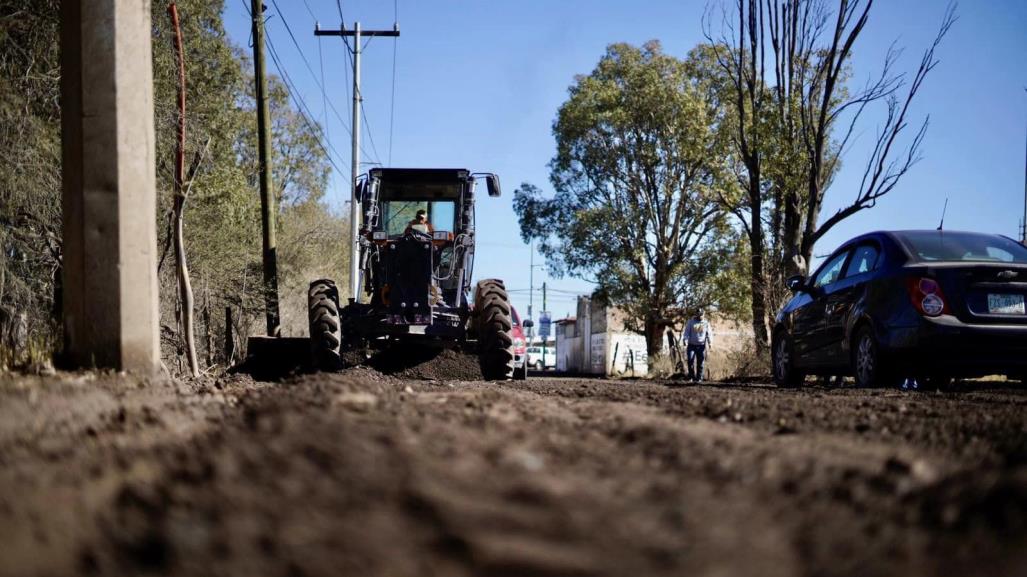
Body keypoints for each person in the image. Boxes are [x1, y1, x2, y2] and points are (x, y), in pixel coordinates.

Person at [683, 308, 713, 382]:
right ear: (696, 314)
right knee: (690, 360)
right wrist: (685, 340)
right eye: (698, 315)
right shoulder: (691, 322)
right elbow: (687, 332)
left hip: (701, 345)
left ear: (703, 314)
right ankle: (691, 377)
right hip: (691, 345)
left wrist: (710, 343)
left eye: (701, 315)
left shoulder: (706, 323)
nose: (700, 316)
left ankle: (699, 378)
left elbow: (709, 334)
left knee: (700, 362)